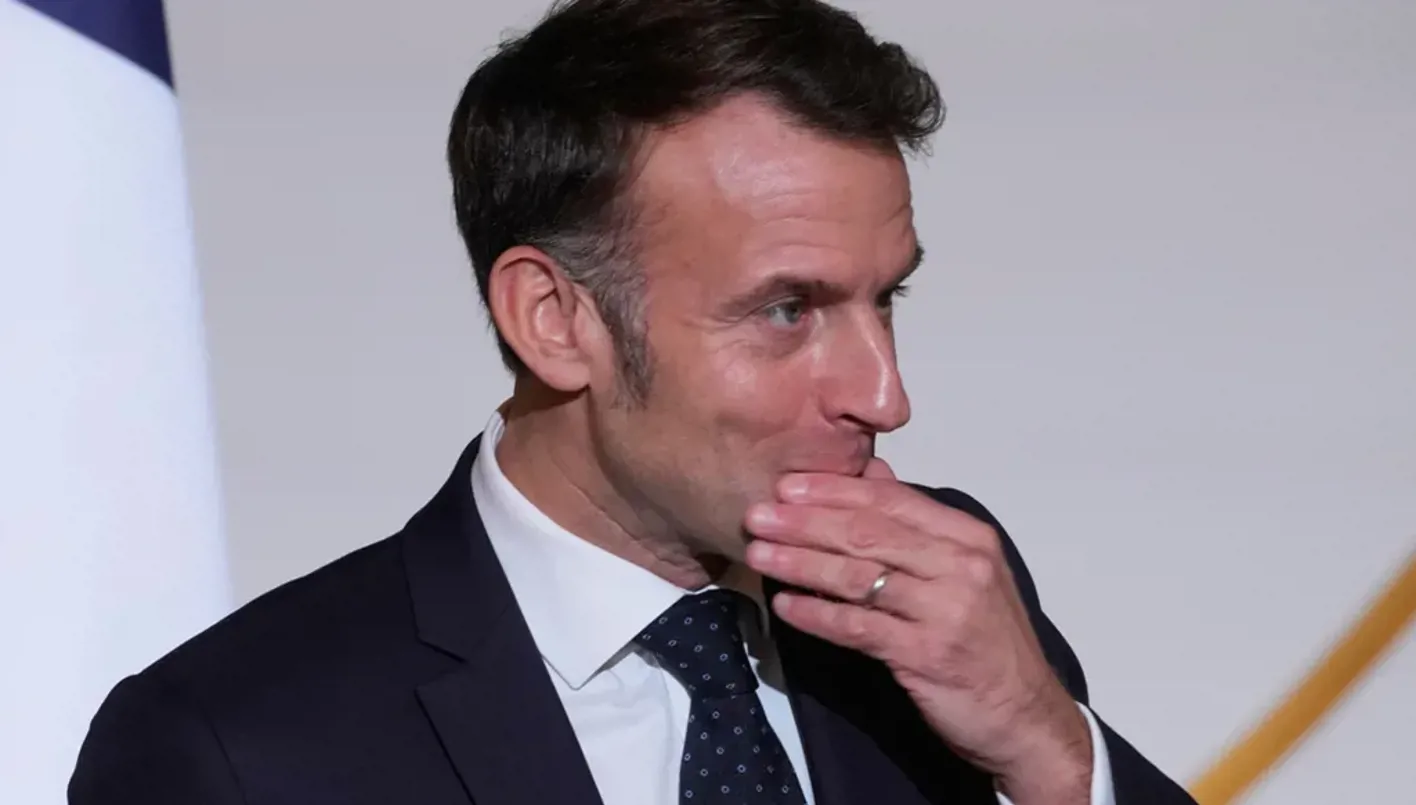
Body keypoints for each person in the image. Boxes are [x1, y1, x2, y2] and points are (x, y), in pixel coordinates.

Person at [69, 0, 1199, 803]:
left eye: (885, 298)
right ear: (555, 320)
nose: (884, 395)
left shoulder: (942, 599)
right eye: (788, 309)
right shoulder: (232, 747)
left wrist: (1052, 751)